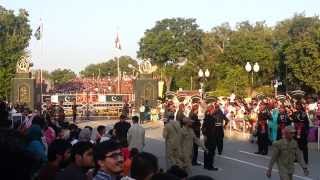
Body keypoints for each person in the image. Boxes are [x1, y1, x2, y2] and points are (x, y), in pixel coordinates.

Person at [202, 105, 218, 171]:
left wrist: (205, 135)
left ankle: (206, 165)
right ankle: (210, 166)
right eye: (213, 109)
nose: (214, 110)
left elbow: (203, 128)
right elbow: (212, 130)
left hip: (207, 137)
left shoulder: (206, 118)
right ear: (211, 110)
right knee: (211, 152)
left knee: (206, 151)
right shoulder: (211, 119)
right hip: (211, 137)